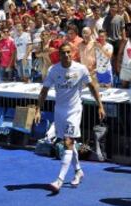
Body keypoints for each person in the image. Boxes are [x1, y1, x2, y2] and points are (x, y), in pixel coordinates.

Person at [34, 43, 106, 192]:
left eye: (68, 52)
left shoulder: (81, 69)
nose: (66, 55)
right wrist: (38, 109)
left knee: (68, 141)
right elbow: (44, 91)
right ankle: (78, 171)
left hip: (74, 110)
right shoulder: (53, 70)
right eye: (63, 53)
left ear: (72, 53)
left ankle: (59, 180)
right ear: (59, 55)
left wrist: (100, 105)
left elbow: (92, 87)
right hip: (59, 111)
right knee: (69, 143)